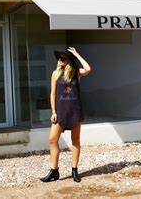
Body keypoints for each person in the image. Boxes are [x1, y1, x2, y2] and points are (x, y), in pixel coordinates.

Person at [40, 47, 91, 183]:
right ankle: (54, 171)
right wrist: (53, 112)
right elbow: (53, 94)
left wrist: (76, 54)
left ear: (69, 60)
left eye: (63, 58)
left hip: (74, 110)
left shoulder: (76, 73)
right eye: (59, 58)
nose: (60, 60)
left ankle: (74, 170)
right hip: (61, 111)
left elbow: (88, 69)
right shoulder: (55, 74)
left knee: (75, 141)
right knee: (52, 139)